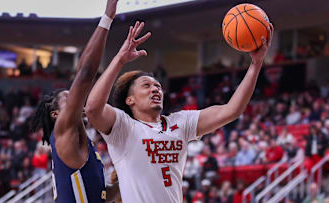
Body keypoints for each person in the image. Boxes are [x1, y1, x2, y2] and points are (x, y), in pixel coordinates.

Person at [86, 20, 274, 202]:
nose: (155, 89)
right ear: (130, 100)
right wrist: (119, 60)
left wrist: (256, 64)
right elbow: (93, 108)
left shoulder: (181, 123)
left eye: (158, 86)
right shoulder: (123, 127)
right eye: (146, 85)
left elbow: (232, 110)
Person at [30, 0, 119, 202]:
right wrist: (107, 18)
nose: (75, 99)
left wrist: (123, 178)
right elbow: (85, 73)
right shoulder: (63, 129)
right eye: (67, 99)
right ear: (55, 114)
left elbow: (101, 195)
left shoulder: (80, 141)